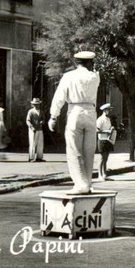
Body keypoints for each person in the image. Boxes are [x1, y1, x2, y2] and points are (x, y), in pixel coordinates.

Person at [49, 50, 100, 195]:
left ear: (76, 62)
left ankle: (80, 184)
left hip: (75, 110)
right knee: (89, 151)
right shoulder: (95, 77)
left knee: (74, 150)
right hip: (90, 112)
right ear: (89, 62)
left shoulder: (68, 77)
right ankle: (88, 183)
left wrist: (54, 116)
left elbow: (59, 97)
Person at [96, 103, 117, 181]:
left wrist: (111, 130)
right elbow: (97, 130)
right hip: (102, 140)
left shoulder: (108, 119)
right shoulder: (100, 119)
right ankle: (99, 174)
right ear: (104, 110)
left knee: (106, 158)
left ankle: (104, 174)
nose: (109, 111)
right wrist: (107, 131)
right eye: (108, 110)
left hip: (108, 140)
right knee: (102, 158)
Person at [26, 98, 45, 162]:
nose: (36, 105)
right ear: (33, 104)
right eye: (35, 104)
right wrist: (31, 127)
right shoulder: (31, 111)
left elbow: (43, 118)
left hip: (40, 129)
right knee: (32, 143)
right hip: (33, 130)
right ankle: (31, 157)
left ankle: (39, 157)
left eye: (38, 104)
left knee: (40, 143)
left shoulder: (41, 111)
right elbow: (28, 120)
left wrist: (42, 121)